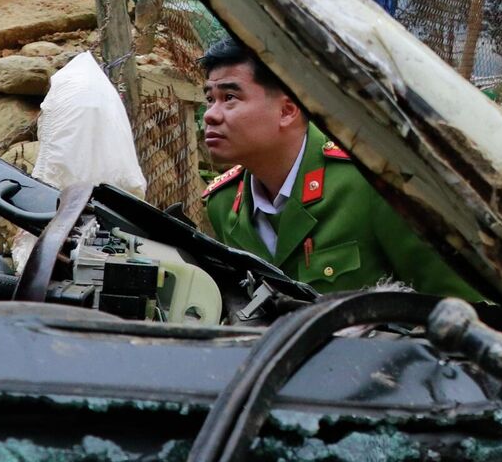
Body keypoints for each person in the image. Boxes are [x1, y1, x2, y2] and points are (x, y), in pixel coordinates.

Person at [200, 36, 480, 298]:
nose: (210, 115)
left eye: (230, 98)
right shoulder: (223, 204)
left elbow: (459, 305)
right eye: (210, 99)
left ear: (287, 110)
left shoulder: (372, 183)